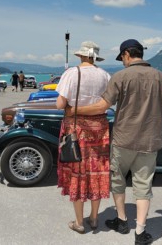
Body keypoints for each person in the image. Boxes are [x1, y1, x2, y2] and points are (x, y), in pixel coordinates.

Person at [68, 39, 162, 245]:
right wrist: (156, 131)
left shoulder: (121, 76)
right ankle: (140, 232)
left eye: (122, 58)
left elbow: (101, 107)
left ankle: (122, 221)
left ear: (126, 54)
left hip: (123, 139)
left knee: (118, 181)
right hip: (149, 142)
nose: (123, 62)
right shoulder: (161, 77)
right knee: (143, 186)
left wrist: (74, 111)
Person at [56, 41, 111, 234]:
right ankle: (94, 218)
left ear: (80, 56)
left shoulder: (71, 73)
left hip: (76, 128)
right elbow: (107, 103)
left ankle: (79, 222)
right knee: (97, 170)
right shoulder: (105, 75)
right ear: (95, 57)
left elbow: (60, 104)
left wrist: (72, 106)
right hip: (100, 129)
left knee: (77, 172)